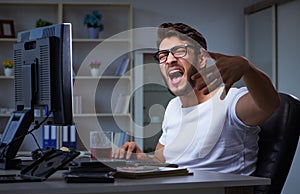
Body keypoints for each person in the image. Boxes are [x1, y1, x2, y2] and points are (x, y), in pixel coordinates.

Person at [113, 22, 280, 175]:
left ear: (201, 60)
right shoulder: (173, 107)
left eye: (179, 51)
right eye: (163, 55)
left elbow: (269, 105)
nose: (170, 60)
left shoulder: (229, 100)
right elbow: (162, 160)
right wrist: (141, 158)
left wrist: (246, 67)